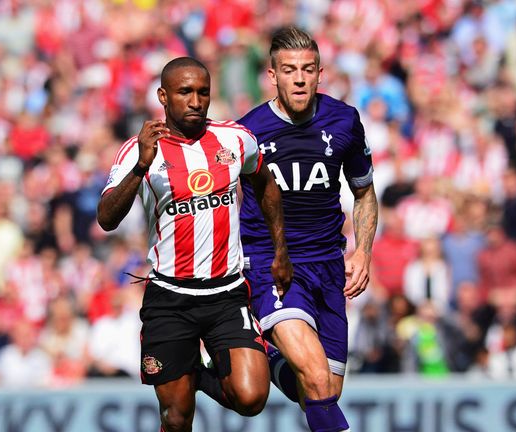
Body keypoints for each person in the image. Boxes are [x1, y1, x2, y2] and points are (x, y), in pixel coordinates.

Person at [96, 57, 292, 432]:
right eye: (185, 92)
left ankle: (195, 369)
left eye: (203, 92)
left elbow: (265, 183)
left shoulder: (235, 139)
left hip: (226, 293)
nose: (196, 101)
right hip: (170, 297)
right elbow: (106, 218)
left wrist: (280, 249)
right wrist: (140, 167)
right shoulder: (139, 151)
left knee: (251, 398)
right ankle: (183, 369)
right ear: (163, 97)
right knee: (177, 416)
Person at [237, 26, 378, 432]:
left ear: (320, 73)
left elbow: (364, 193)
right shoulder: (248, 133)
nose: (299, 78)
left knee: (319, 392)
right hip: (272, 267)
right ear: (272, 75)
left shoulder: (345, 120)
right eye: (289, 70)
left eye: (307, 69)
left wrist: (363, 250)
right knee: (316, 379)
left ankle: (266, 354)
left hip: (329, 268)